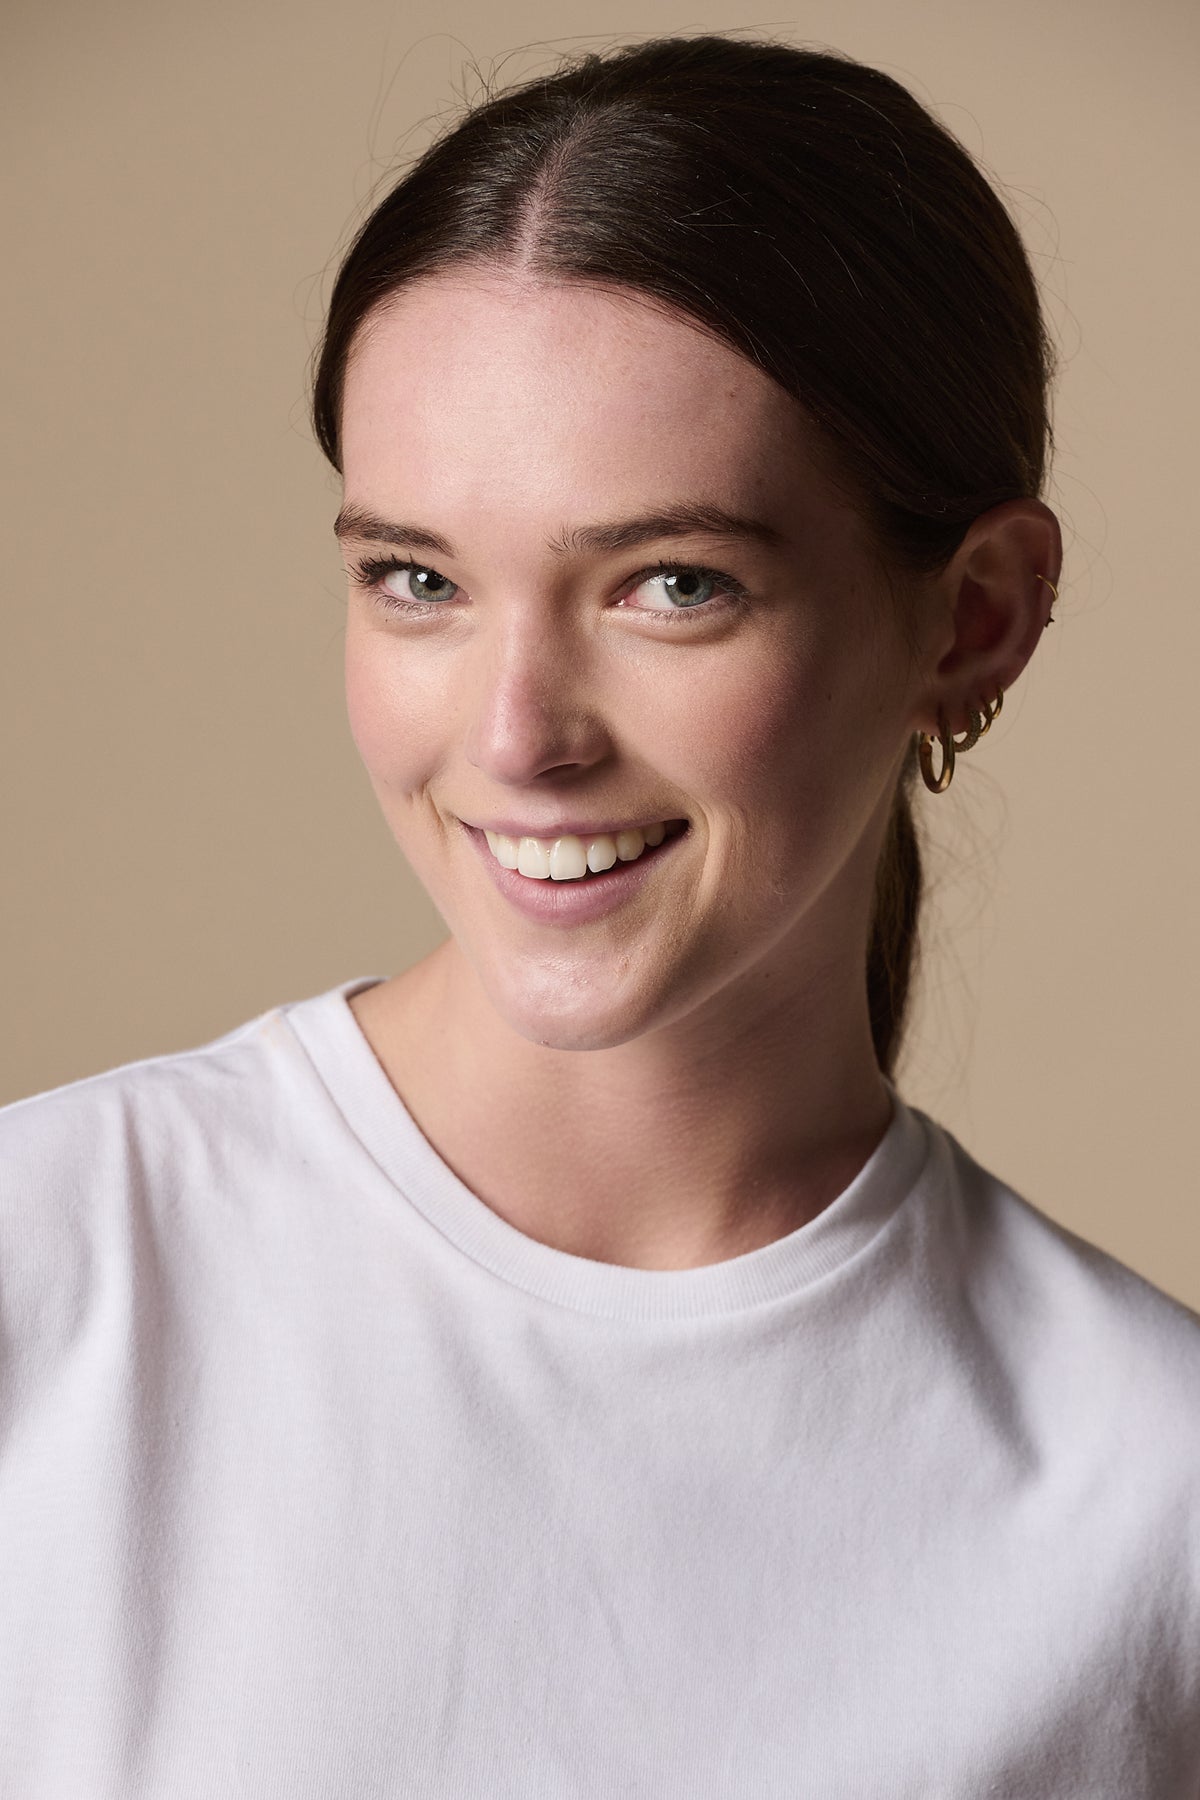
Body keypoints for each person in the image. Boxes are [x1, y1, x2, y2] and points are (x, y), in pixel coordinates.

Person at [1, 32, 1197, 1797]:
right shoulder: (48, 1279)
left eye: (671, 585)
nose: (513, 738)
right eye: (418, 582)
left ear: (977, 620)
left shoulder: (1152, 1498)